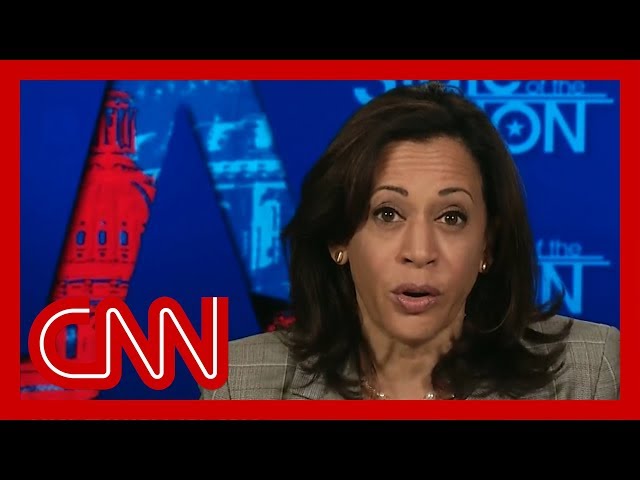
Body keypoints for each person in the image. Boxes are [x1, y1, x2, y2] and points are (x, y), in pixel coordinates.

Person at [199, 81, 620, 401]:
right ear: (338, 237)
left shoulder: (589, 375)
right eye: (388, 214)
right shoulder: (242, 385)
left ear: (487, 246)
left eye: (451, 217)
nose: (420, 252)